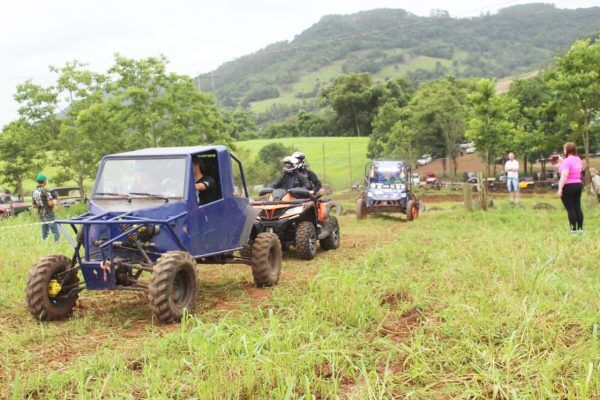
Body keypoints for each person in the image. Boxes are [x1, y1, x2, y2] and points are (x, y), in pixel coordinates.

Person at [557, 142, 584, 233]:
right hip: (578, 185)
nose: (564, 150)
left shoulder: (566, 161)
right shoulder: (578, 159)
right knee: (577, 207)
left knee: (570, 209)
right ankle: (580, 229)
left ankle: (573, 230)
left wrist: (560, 188)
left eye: (564, 149)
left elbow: (564, 175)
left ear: (567, 150)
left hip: (568, 186)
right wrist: (562, 162)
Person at [32, 173, 59, 242]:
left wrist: (41, 204)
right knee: (55, 232)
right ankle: (57, 245)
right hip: (49, 214)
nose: (46, 181)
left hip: (41, 215)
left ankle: (45, 245)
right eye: (45, 179)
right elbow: (50, 204)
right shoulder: (46, 191)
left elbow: (34, 206)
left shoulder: (34, 191)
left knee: (45, 234)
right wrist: (55, 201)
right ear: (44, 181)